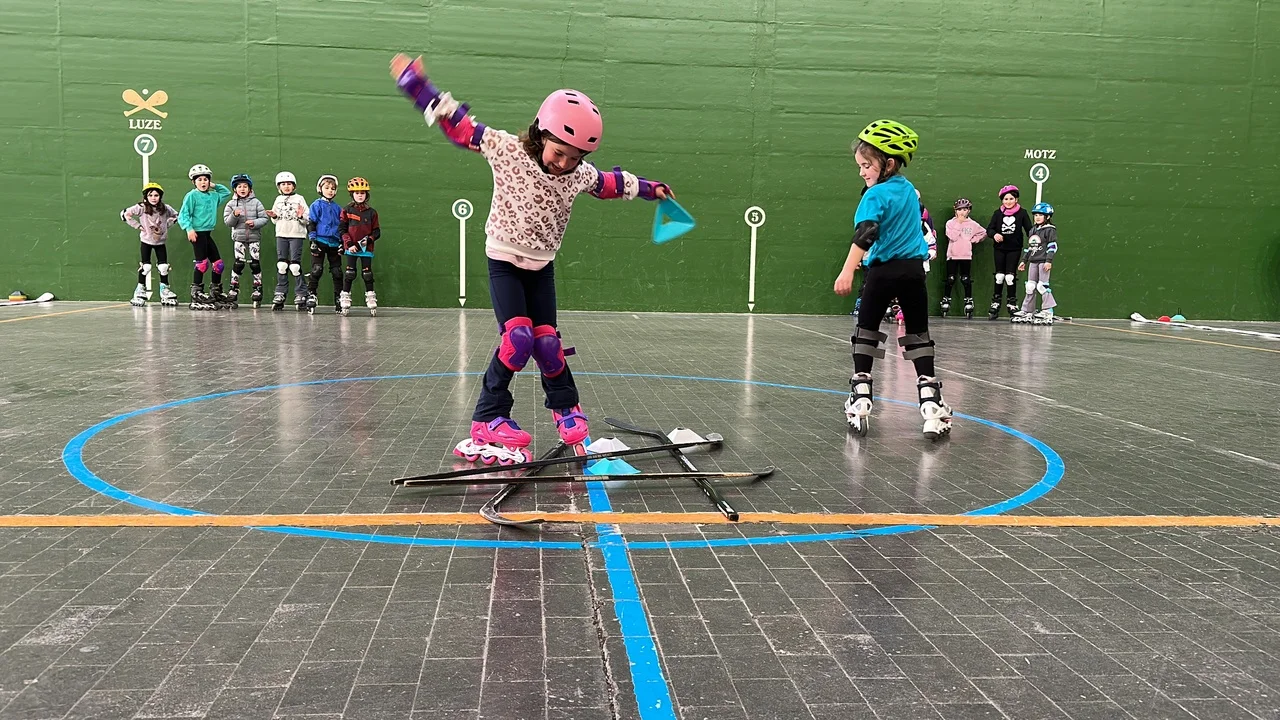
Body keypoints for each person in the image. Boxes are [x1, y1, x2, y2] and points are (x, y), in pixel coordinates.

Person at [390, 53, 674, 464]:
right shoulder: (508, 150)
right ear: (541, 134)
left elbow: (610, 183)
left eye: (575, 157)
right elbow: (460, 126)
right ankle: (488, 418)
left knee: (548, 343)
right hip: (504, 260)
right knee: (518, 338)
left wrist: (651, 189)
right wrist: (417, 86)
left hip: (542, 266)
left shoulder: (577, 174)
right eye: (560, 153)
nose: (565, 164)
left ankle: (566, 409)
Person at [833, 119, 953, 440]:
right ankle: (931, 405)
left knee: (867, 331)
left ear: (887, 164)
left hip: (883, 272)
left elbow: (867, 233)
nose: (862, 172)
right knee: (918, 335)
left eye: (866, 165)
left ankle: (861, 398)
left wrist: (847, 269)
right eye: (859, 166)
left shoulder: (874, 196)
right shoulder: (908, 190)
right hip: (913, 271)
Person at [120, 182, 179, 306]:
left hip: (160, 242)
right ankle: (140, 290)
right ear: (146, 197)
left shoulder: (165, 208)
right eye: (150, 195)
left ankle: (164, 289)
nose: (153, 198)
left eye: (156, 195)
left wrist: (166, 225)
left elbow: (177, 216)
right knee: (146, 266)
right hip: (146, 241)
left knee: (163, 267)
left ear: (160, 196)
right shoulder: (141, 208)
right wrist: (137, 226)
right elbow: (125, 214)